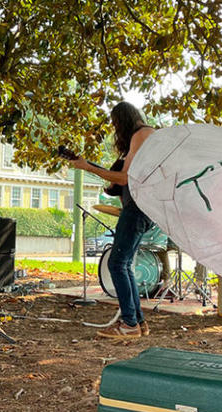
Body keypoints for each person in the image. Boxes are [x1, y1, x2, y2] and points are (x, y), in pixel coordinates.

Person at [69, 102, 156, 339]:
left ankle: (129, 324)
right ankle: (137, 322)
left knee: (116, 264)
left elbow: (126, 178)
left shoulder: (141, 134)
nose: (116, 130)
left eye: (116, 124)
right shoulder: (143, 136)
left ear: (123, 120)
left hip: (137, 209)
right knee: (124, 264)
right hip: (139, 208)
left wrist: (88, 168)